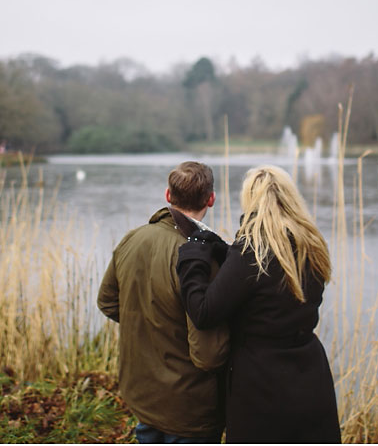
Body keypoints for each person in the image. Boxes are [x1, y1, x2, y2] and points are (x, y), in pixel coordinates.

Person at [176, 165, 341, 443]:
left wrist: (193, 255)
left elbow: (204, 312)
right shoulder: (311, 243)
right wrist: (224, 249)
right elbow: (272, 285)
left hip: (262, 383)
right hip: (310, 373)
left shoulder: (253, 251)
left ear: (251, 200)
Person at [97, 161, 229, 443]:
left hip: (143, 396)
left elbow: (107, 303)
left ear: (168, 196)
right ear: (211, 199)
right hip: (188, 409)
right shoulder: (202, 259)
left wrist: (151, 322)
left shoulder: (132, 239)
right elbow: (208, 355)